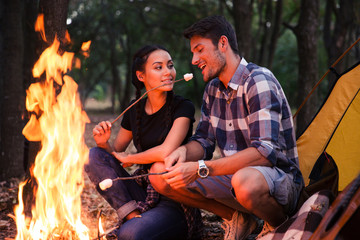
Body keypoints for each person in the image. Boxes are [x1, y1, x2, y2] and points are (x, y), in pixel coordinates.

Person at [149, 16, 304, 240]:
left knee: (245, 182)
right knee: (159, 173)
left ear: (223, 43)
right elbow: (203, 141)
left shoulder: (258, 80)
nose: (194, 60)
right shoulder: (212, 89)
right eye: (193, 52)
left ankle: (279, 226)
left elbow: (264, 154)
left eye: (199, 50)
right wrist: (183, 152)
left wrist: (201, 168)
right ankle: (238, 218)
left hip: (278, 181)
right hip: (232, 178)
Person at [85, 44, 202, 240]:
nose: (168, 72)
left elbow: (166, 151)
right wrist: (103, 143)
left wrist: (131, 157)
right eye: (159, 67)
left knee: (130, 235)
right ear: (141, 76)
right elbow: (115, 155)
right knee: (94, 156)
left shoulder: (183, 107)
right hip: (143, 192)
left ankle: (137, 224)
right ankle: (132, 215)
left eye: (170, 66)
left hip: (173, 198)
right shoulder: (134, 109)